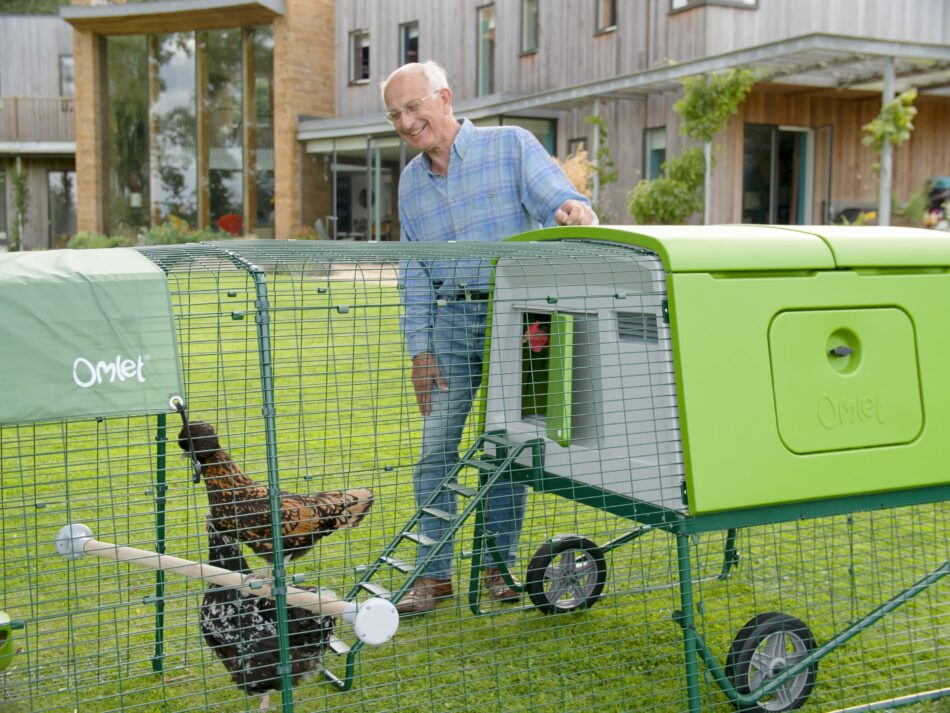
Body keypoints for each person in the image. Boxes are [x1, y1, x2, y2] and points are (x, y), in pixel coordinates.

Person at [382, 60, 597, 615]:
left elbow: (561, 200)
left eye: (414, 107)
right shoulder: (410, 182)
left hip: (519, 321)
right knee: (436, 450)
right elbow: (414, 273)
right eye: (395, 115)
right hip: (452, 323)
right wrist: (420, 349)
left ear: (445, 98)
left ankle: (497, 567)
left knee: (507, 451)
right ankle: (434, 577)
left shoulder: (511, 146)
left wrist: (572, 210)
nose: (406, 122)